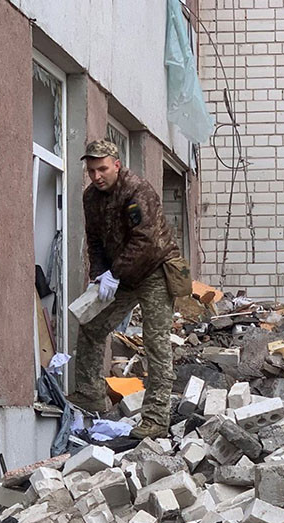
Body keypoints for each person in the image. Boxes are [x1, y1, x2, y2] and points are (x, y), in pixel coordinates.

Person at [70, 140, 184, 439]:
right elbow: (95, 241)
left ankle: (156, 419)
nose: (97, 176)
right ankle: (91, 394)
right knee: (92, 325)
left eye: (102, 169)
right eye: (91, 171)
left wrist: (114, 273)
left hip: (154, 269)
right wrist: (99, 276)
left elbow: (145, 240)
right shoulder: (91, 198)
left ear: (117, 165)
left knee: (156, 342)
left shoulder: (137, 191)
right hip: (120, 274)